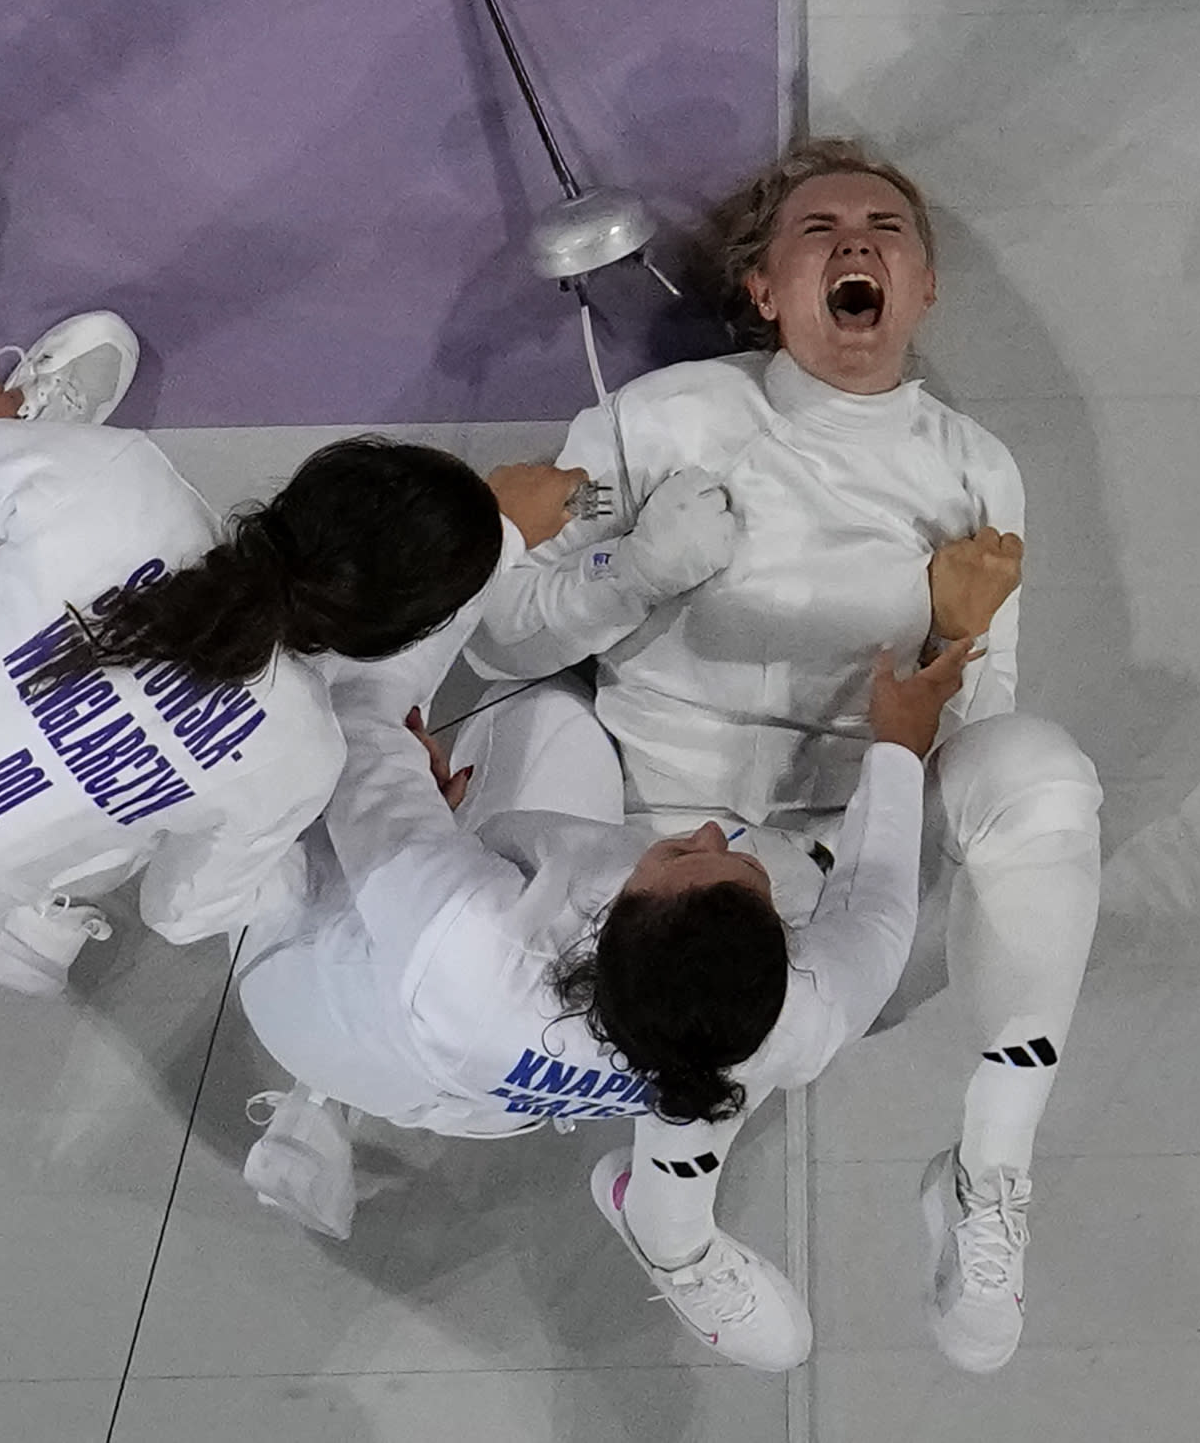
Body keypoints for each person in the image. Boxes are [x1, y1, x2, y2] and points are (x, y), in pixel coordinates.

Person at [464, 137, 1105, 1373]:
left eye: (886, 229)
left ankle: (987, 1173)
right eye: (818, 230)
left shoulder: (974, 468)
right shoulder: (659, 419)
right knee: (532, 737)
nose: (856, 243)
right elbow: (501, 640)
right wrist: (641, 565)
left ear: (921, 290)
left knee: (1040, 769)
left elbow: (982, 719)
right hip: (635, 821)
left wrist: (957, 648)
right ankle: (666, 1217)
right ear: (762, 290)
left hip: (839, 827)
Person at [0, 128, 552, 994]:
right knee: (131, 804)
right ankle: (14, 461)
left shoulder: (125, 491)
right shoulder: (300, 760)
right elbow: (179, 911)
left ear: (310, 481)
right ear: (387, 633)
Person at [231, 540, 1004, 1371]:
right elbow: (877, 908)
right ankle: (667, 1230)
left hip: (309, 997)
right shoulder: (793, 1017)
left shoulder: (471, 939)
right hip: (490, 1098)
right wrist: (898, 747)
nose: (706, 831)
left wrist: (491, 539)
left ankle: (317, 1100)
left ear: (605, 927)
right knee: (569, 739)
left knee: (421, 744)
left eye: (679, 858)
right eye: (737, 870)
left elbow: (363, 712)